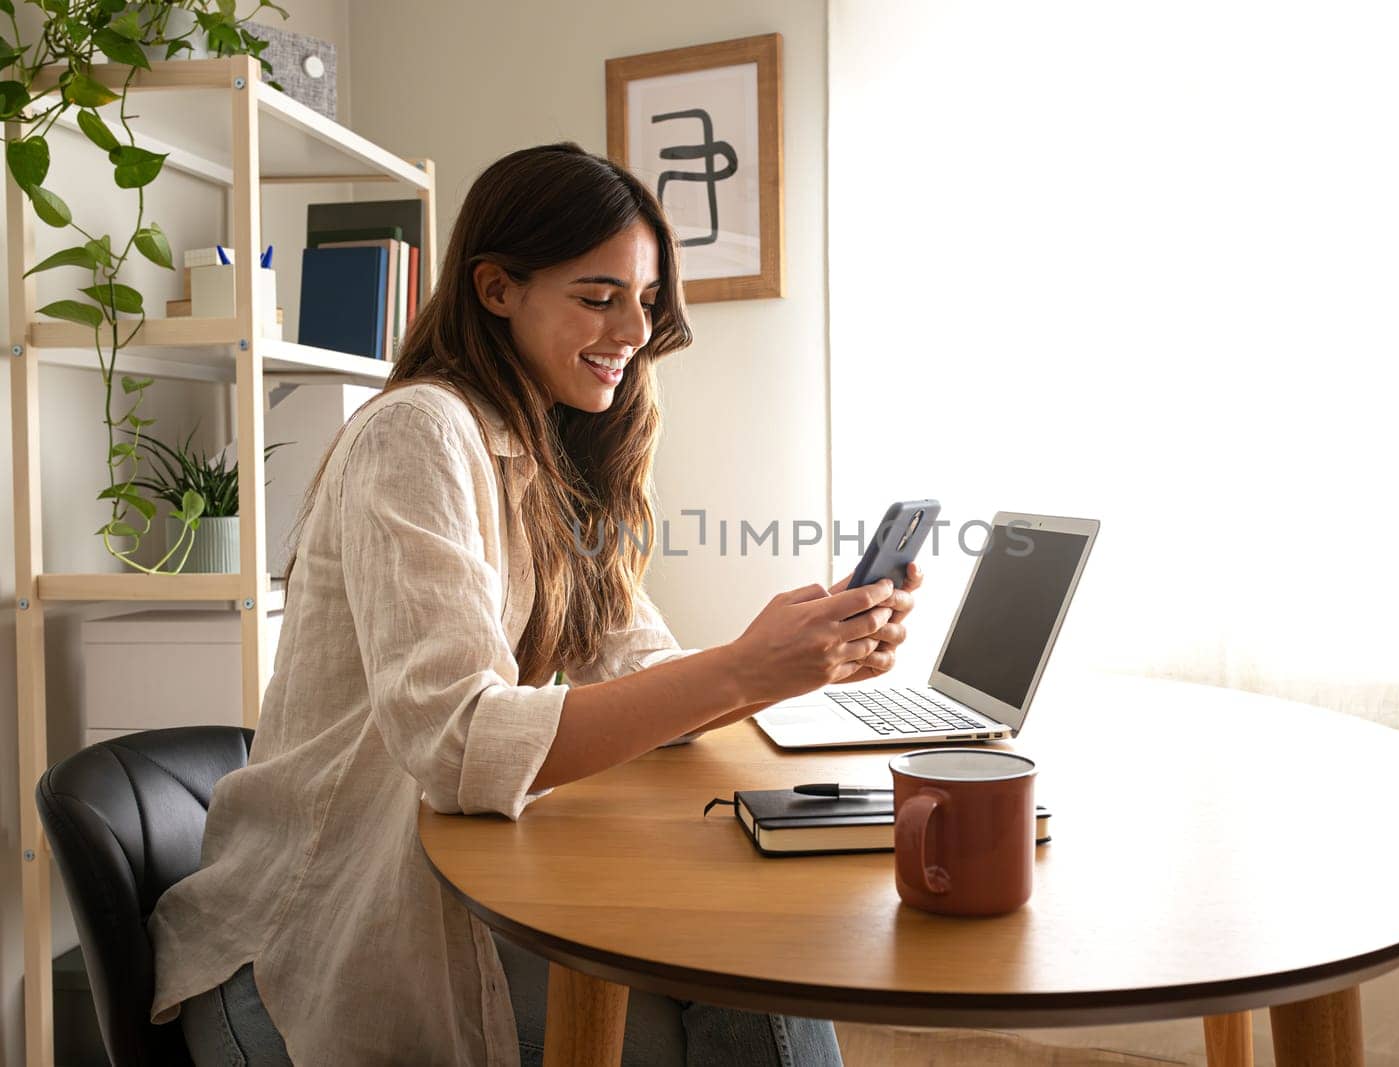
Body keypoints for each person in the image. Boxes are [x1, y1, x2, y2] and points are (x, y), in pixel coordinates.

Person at [145, 141, 922, 1066]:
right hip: (306, 942)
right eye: (598, 297)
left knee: (744, 971)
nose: (633, 330)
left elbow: (644, 679)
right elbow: (461, 743)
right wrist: (747, 667)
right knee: (728, 1001)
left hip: (424, 892)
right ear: (497, 288)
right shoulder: (418, 434)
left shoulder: (553, 454)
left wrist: (800, 657)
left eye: (644, 300)